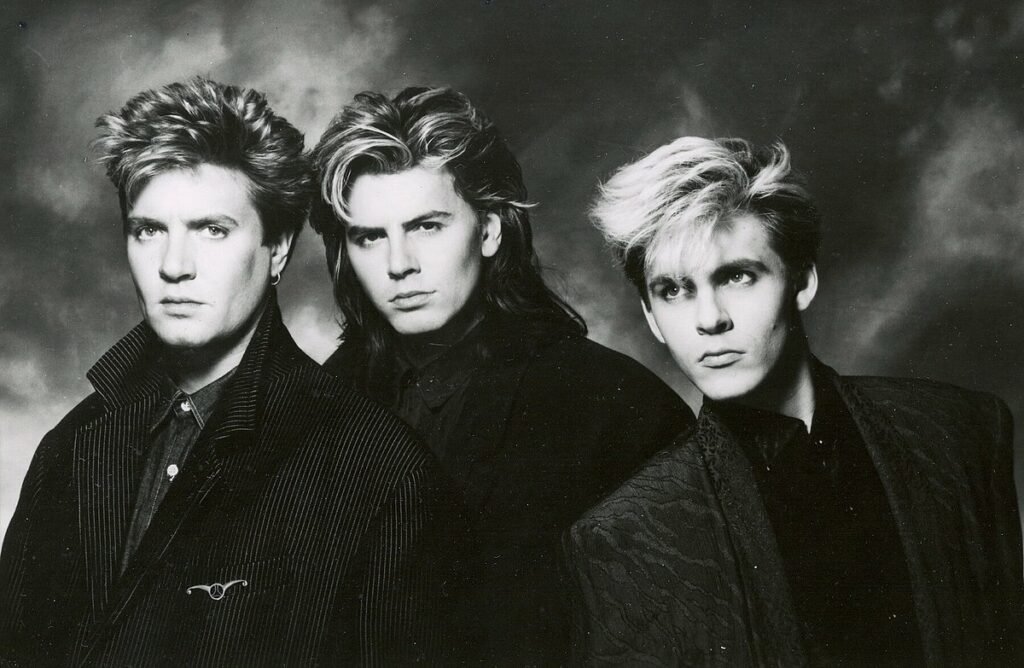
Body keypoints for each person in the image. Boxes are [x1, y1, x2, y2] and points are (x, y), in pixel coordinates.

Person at [0, 77, 448, 665]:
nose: (174, 266)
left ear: (278, 247)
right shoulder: (72, 445)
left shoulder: (381, 469)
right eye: (149, 230)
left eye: (212, 230)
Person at [566, 136, 1022, 666]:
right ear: (651, 317)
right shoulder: (626, 535)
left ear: (802, 281)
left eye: (736, 276)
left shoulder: (959, 431)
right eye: (674, 290)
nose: (709, 319)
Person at [309, 86, 693, 663]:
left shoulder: (612, 404)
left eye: (427, 227)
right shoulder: (315, 406)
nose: (398, 264)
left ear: (489, 231)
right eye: (370, 237)